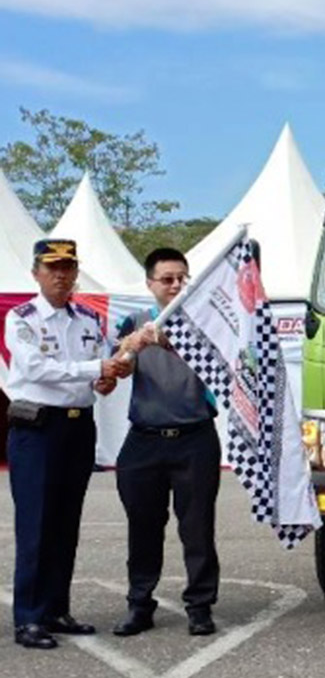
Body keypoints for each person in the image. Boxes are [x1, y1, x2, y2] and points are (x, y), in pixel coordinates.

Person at [4, 239, 121, 649]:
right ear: (35, 272)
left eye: (68, 267)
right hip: (37, 430)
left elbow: (104, 368)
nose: (61, 275)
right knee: (35, 524)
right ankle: (29, 618)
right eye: (52, 267)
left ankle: (56, 608)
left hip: (77, 428)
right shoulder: (22, 319)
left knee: (66, 524)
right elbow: (35, 368)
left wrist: (106, 378)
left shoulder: (89, 318)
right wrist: (95, 368)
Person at [110, 247, 221, 638]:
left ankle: (200, 606)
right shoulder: (134, 321)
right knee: (143, 526)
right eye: (167, 279)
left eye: (181, 278)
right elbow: (112, 376)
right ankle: (140, 604)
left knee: (197, 527)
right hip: (145, 439)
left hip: (195, 438)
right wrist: (130, 348)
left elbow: (220, 361)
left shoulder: (206, 321)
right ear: (150, 283)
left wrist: (166, 340)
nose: (175, 285)